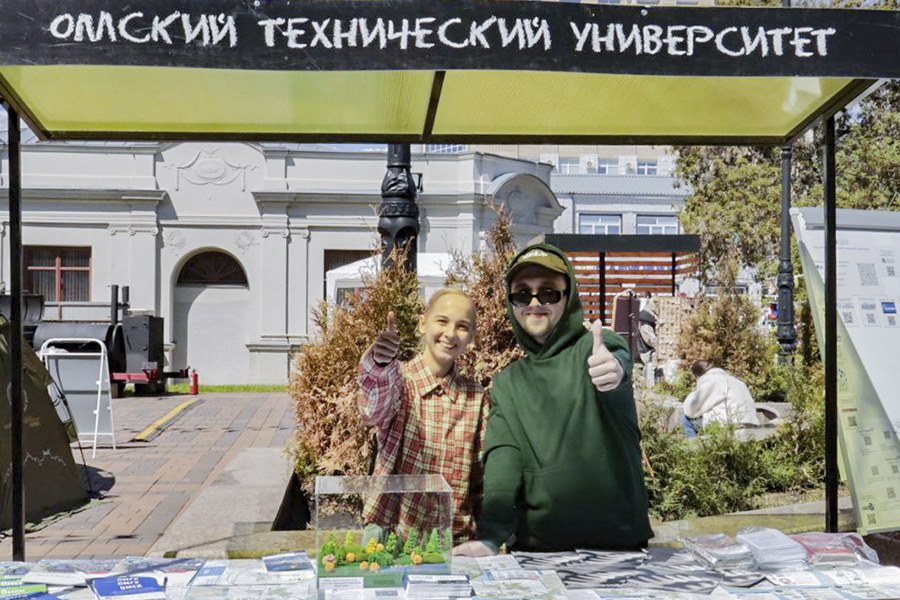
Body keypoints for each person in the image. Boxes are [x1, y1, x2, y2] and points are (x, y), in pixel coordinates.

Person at [454, 244, 653, 555]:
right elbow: (504, 463)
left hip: (619, 550)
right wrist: (490, 538)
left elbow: (616, 363)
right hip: (540, 555)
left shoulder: (595, 350)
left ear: (568, 297)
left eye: (548, 292)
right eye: (522, 294)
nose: (534, 303)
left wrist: (614, 371)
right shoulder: (508, 383)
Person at [357, 288, 490, 544]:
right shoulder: (400, 380)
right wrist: (380, 362)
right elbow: (372, 408)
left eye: (462, 326)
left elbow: (481, 477)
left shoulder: (475, 397)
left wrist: (488, 535)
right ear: (422, 324)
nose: (450, 333)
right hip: (392, 540)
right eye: (442, 321)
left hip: (453, 543)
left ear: (471, 337)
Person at [682, 360, 760, 437]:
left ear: (697, 376)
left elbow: (689, 409)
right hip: (750, 425)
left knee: (686, 419)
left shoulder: (710, 380)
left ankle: (693, 444)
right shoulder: (737, 381)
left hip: (728, 425)